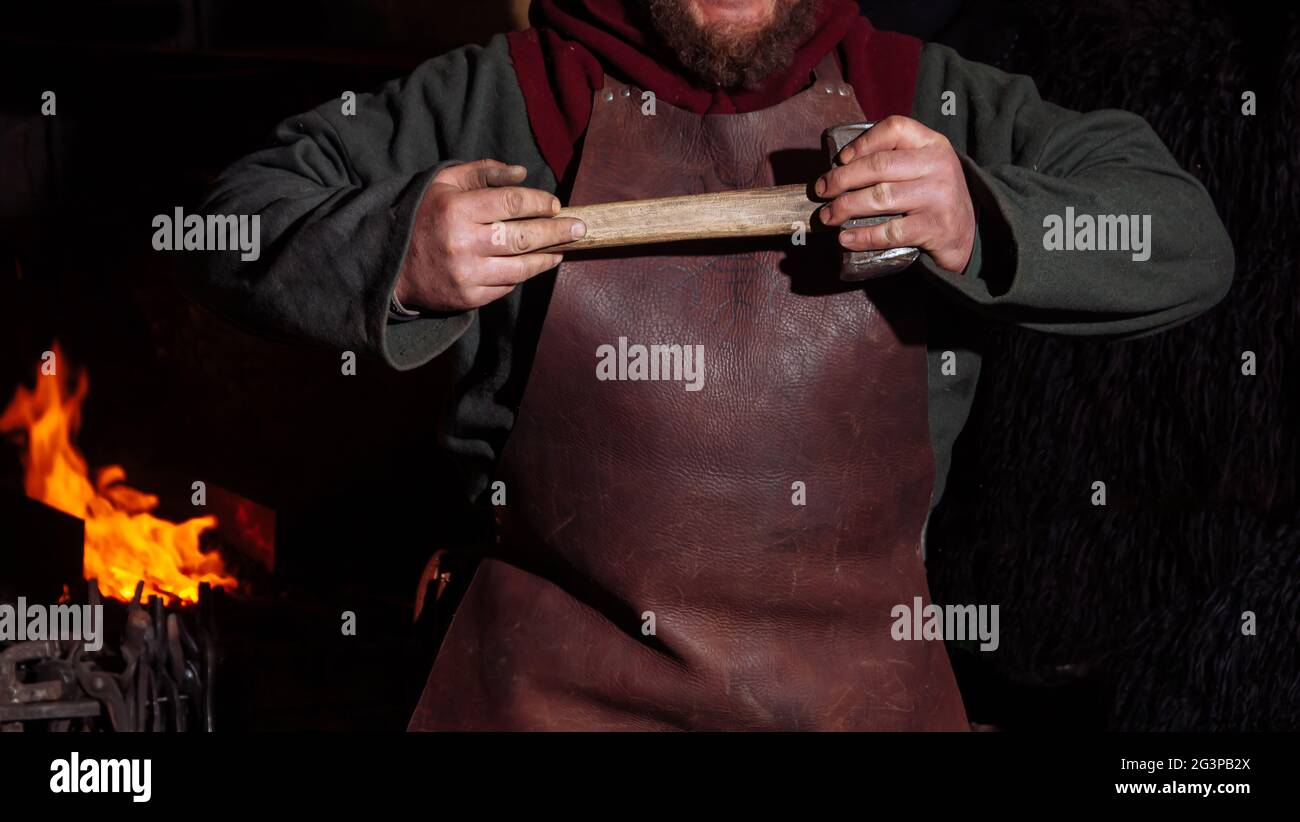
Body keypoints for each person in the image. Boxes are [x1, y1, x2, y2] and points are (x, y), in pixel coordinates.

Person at [196, 0, 1233, 730]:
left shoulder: (929, 95)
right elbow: (224, 224)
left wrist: (981, 217)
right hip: (539, 704)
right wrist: (396, 255)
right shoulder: (495, 98)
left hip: (857, 705)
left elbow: (1185, 240)